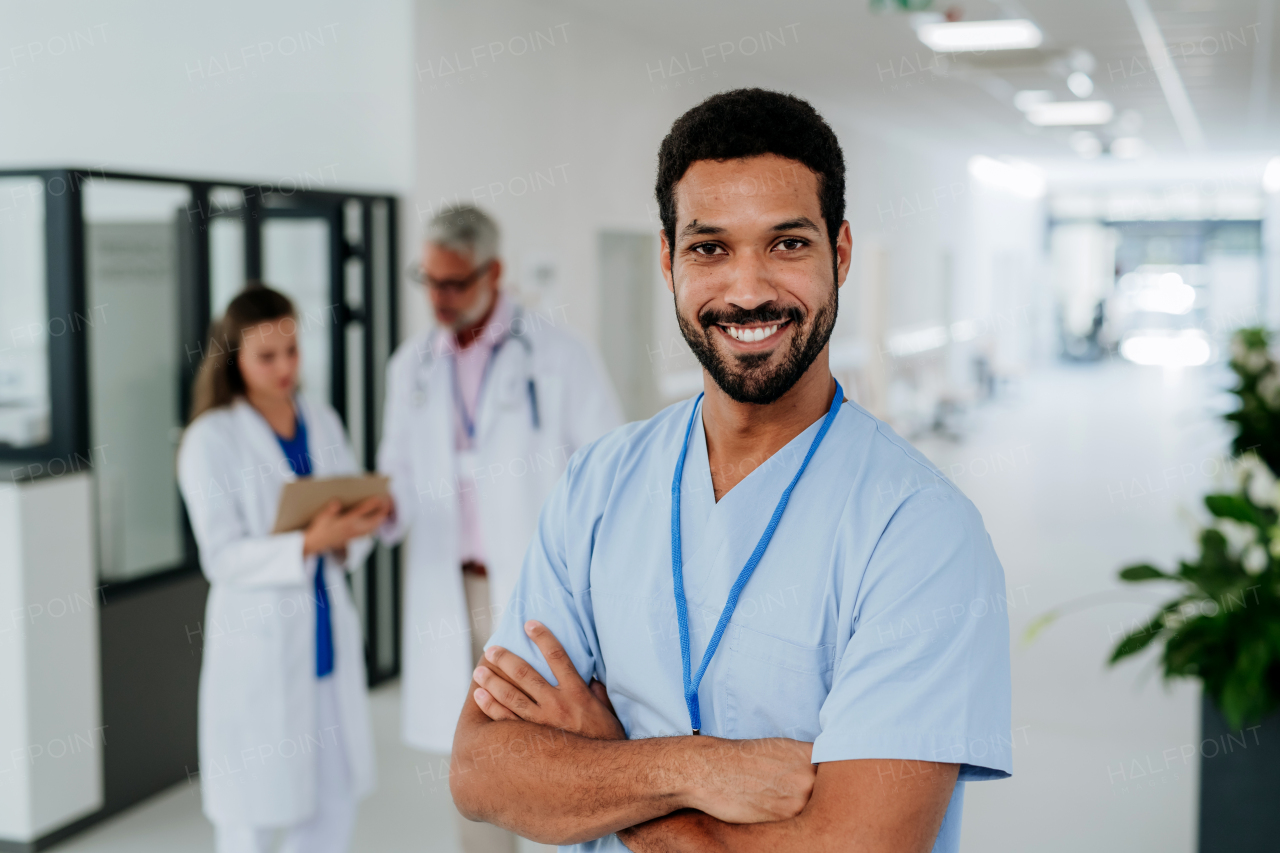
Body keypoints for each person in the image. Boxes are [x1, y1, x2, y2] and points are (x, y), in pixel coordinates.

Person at [450, 89, 1012, 853]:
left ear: (839, 254)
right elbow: (482, 770)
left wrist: (602, 758)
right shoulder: (599, 484)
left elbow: (856, 848)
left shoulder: (920, 533)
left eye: (787, 245)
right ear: (667, 259)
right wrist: (694, 769)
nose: (747, 290)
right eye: (709, 248)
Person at [376, 205, 622, 851]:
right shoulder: (411, 366)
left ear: (495, 272)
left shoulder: (559, 353)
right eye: (428, 280)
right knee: (469, 752)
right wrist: (383, 505)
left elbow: (604, 471)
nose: (438, 297)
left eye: (453, 283)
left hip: (530, 584)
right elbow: (397, 465)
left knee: (543, 742)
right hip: (447, 579)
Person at [178, 284, 391, 853]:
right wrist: (305, 544)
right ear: (234, 358)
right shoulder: (210, 439)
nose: (284, 368)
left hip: (323, 639)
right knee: (249, 814)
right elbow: (220, 556)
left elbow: (341, 511)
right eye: (266, 357)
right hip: (258, 645)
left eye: (292, 351)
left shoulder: (318, 418)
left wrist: (355, 527)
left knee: (331, 800)